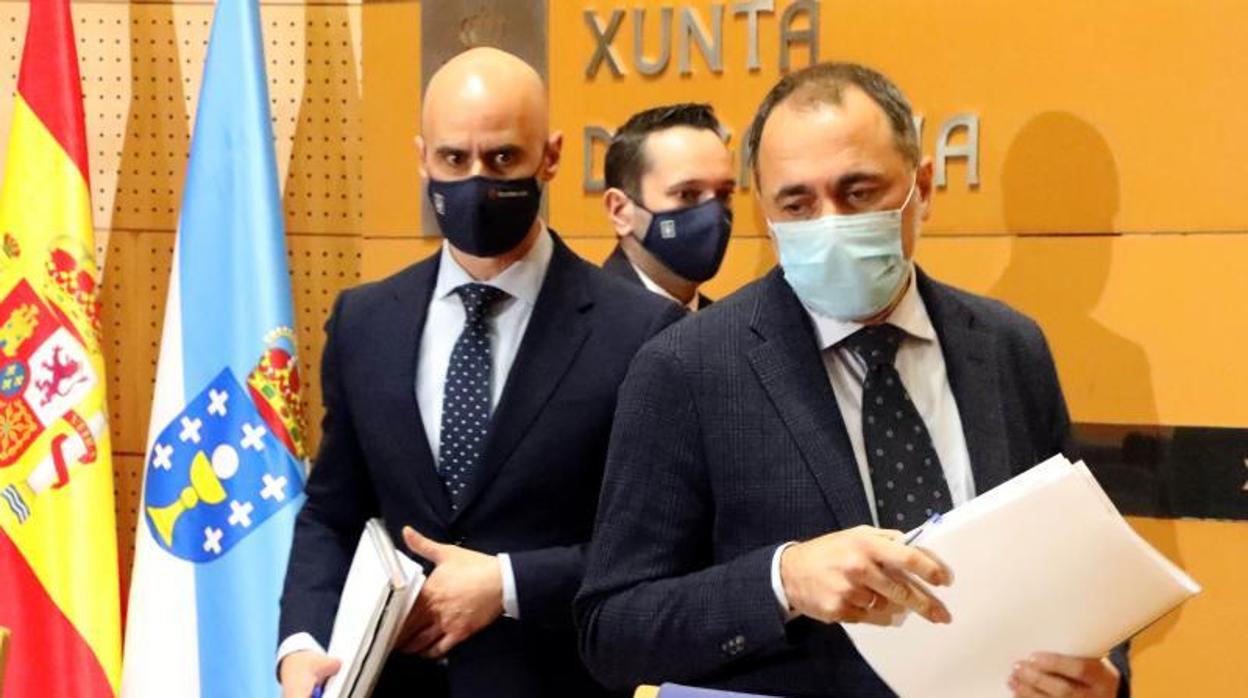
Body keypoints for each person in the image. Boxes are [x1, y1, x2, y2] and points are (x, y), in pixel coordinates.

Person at [575, 62, 1129, 698]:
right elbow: (613, 629)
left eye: (859, 192)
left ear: (922, 188)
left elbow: (1082, 562)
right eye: (797, 203)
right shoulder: (687, 368)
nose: (830, 223)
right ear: (766, 212)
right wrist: (782, 580)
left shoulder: (1008, 347)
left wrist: (1102, 675)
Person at [277, 47, 684, 698]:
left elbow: (658, 547)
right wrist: (300, 645)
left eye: (501, 159)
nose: (475, 180)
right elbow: (331, 513)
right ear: (422, 159)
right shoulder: (364, 321)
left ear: (549, 156)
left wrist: (509, 583)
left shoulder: (640, 331)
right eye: (453, 159)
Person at [600, 103, 736, 311]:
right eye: (687, 194)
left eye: (724, 194)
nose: (713, 214)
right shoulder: (579, 325)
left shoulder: (729, 325)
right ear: (620, 212)